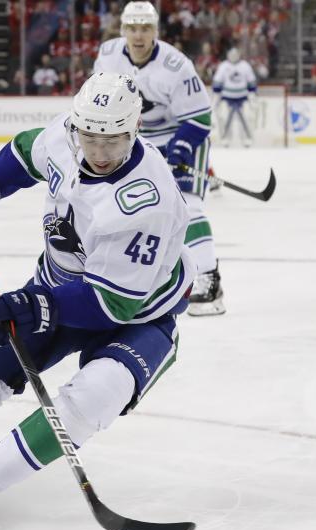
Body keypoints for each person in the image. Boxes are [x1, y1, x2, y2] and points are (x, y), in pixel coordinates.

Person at [0, 72, 196, 527]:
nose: (97, 152)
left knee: (97, 395)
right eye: (89, 137)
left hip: (140, 315)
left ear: (134, 130)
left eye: (112, 142)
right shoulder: (70, 134)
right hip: (59, 287)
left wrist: (34, 308)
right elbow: (25, 150)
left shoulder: (146, 201)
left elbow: (114, 305)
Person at [93, 1, 223, 316]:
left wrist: (178, 149)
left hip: (182, 135)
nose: (139, 35)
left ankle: (209, 278)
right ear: (123, 30)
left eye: (146, 28)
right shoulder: (108, 54)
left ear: (156, 31)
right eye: (133, 28)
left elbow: (201, 118)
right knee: (125, 203)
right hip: (137, 139)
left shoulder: (176, 65)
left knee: (188, 205)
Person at [212, 47, 258, 148]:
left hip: (243, 97)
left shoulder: (245, 66)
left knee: (247, 118)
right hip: (227, 97)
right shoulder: (223, 66)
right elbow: (217, 83)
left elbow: (251, 82)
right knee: (224, 117)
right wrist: (216, 98)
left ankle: (247, 139)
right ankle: (225, 139)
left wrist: (252, 96)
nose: (233, 57)